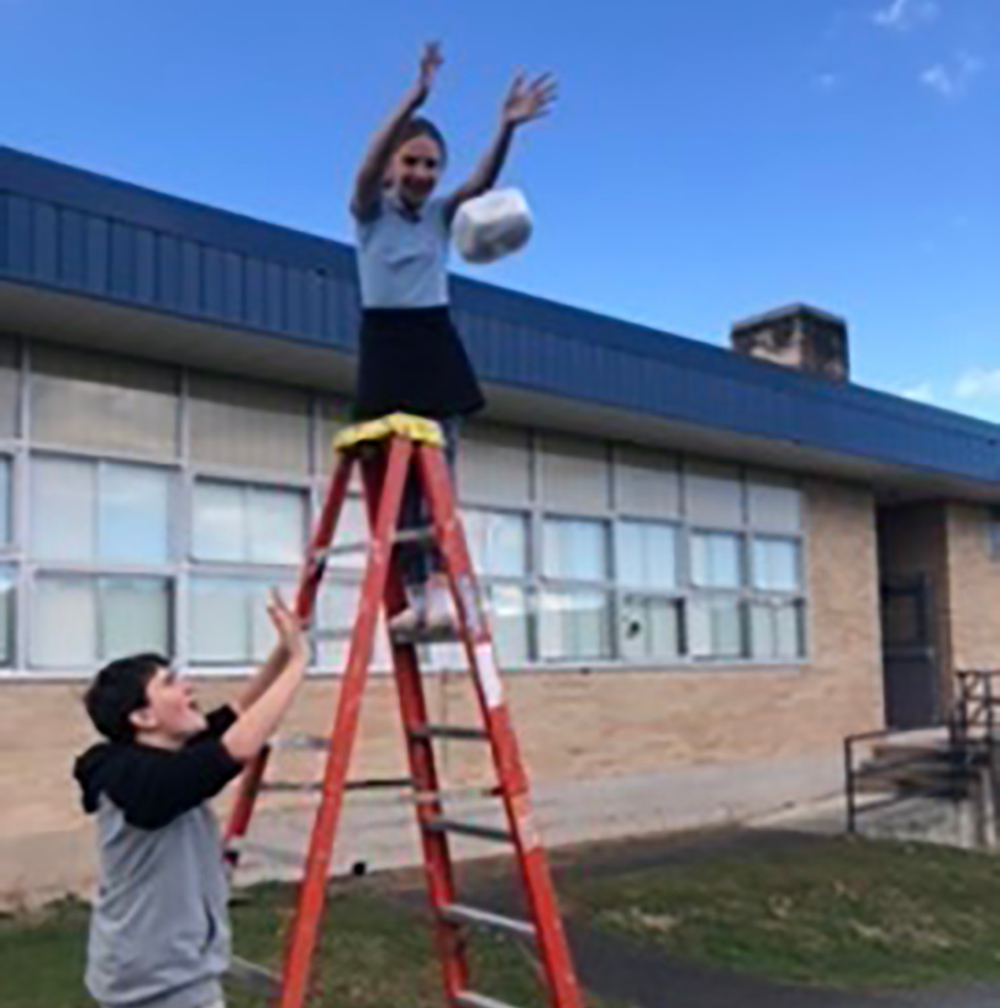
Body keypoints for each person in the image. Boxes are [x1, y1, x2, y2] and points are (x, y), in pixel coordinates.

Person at [351, 41, 556, 637]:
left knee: (440, 468)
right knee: (398, 479)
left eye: (430, 165)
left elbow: (481, 182)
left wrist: (507, 127)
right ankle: (416, 591)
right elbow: (364, 169)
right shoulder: (369, 211)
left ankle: (443, 587)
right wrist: (414, 97)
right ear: (391, 166)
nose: (421, 173)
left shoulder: (440, 216)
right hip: (386, 343)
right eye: (410, 162)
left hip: (434, 340)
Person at [73, 590, 308, 1008]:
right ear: (143, 718)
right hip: (157, 984)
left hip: (161, 972)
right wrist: (299, 664)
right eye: (170, 683)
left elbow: (238, 713)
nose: (189, 686)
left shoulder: (164, 756)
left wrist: (283, 649)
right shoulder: (138, 779)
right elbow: (236, 747)